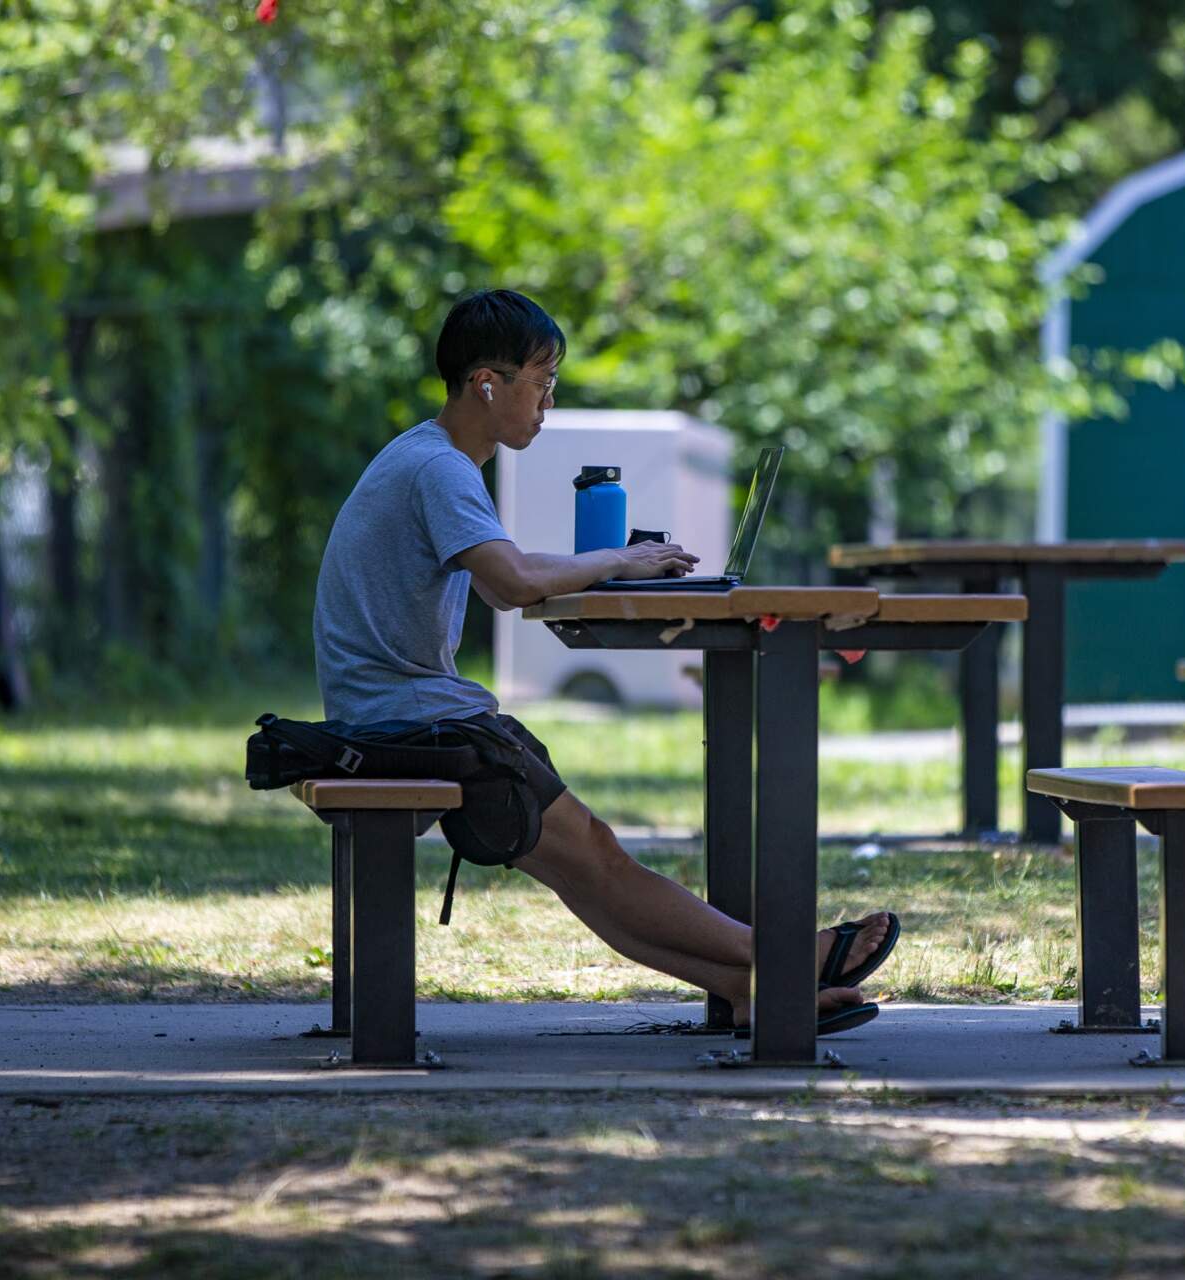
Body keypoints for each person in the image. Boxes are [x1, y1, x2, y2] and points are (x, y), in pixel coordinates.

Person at [311, 288, 898, 1034]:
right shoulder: (442, 469)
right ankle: (787, 959)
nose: (548, 401)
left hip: (394, 713)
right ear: (488, 384)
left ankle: (754, 988)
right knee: (595, 855)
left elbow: (511, 566)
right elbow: (513, 585)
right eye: (542, 380)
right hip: (404, 724)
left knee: (585, 867)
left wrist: (615, 564)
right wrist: (614, 558)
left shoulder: (427, 457)